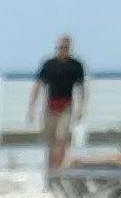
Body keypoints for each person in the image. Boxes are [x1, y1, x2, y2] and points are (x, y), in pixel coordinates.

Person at [36, 37, 89, 170]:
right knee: (50, 143)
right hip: (50, 107)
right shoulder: (49, 64)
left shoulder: (75, 65)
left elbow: (81, 88)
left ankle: (58, 169)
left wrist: (81, 108)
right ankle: (50, 170)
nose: (62, 50)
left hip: (66, 107)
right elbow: (38, 85)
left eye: (65, 48)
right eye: (60, 48)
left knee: (61, 139)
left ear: (69, 48)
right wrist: (31, 107)